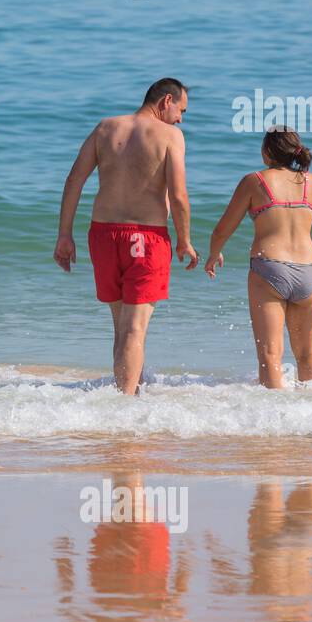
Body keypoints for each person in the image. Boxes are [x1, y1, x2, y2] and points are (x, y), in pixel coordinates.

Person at [53, 78, 198, 395]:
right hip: (146, 238)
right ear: (166, 100)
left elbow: (74, 180)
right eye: (181, 110)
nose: (181, 118)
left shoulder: (106, 127)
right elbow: (179, 195)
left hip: (104, 236)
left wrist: (64, 234)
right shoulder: (170, 135)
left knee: (122, 328)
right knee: (135, 329)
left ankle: (127, 393)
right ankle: (126, 407)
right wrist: (184, 239)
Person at [204, 127, 312, 388]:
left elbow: (222, 228)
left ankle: (274, 423)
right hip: (310, 272)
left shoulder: (254, 181)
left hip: (270, 268)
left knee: (270, 356)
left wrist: (213, 254)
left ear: (267, 152)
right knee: (308, 355)